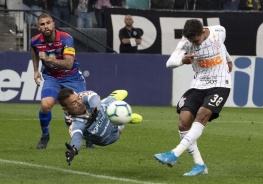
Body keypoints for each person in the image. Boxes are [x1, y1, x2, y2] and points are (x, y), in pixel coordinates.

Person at [154, 19, 233, 176]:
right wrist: (183, 60)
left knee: (202, 115)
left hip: (220, 83)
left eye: (196, 40)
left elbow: (220, 45)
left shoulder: (219, 31)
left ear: (203, 32)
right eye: (191, 41)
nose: (194, 44)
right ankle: (200, 165)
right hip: (198, 85)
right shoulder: (185, 42)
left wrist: (228, 60)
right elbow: (170, 63)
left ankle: (174, 154)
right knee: (184, 122)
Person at [30, 12, 95, 149]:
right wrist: (36, 70)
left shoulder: (66, 39)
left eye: (48, 23)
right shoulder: (35, 41)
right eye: (42, 24)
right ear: (38, 28)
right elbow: (35, 52)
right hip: (52, 77)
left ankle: (89, 136)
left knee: (82, 106)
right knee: (46, 105)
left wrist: (49, 59)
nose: (46, 26)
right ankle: (45, 136)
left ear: (53, 24)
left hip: (72, 76)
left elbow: (69, 63)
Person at [57, 88, 143, 166]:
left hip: (105, 111)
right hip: (109, 135)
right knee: (119, 120)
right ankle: (127, 118)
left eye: (78, 99)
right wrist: (73, 149)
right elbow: (77, 137)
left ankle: (113, 98)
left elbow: (94, 97)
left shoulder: (82, 96)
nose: (79, 102)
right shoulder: (74, 121)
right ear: (65, 109)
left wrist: (95, 110)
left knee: (105, 104)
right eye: (74, 103)